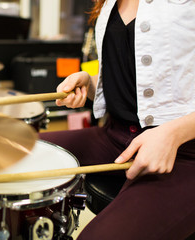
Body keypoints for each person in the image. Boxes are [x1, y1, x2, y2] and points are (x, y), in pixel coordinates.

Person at [39, 0, 195, 239]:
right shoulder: (111, 2)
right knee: (11, 153)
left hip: (185, 153)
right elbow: (142, 76)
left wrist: (173, 133)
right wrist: (90, 83)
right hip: (117, 135)